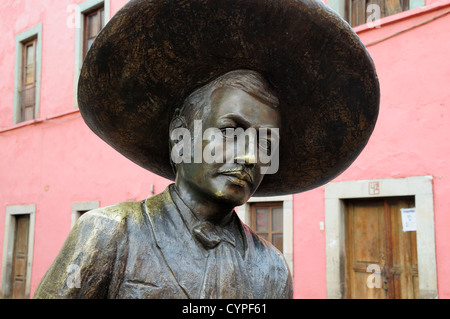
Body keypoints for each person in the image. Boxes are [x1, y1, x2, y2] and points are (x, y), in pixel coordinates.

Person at [34, 0, 379, 299]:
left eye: (265, 142)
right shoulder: (110, 234)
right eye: (231, 131)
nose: (251, 157)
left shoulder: (272, 269)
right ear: (179, 135)